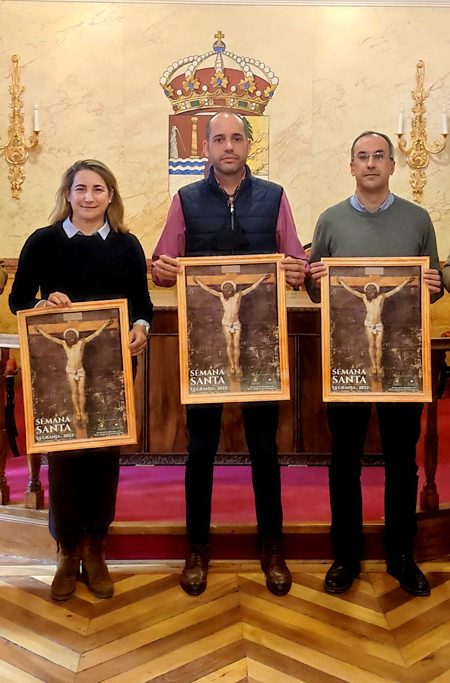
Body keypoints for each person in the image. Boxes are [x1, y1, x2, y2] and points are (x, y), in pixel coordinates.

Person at [153, 110, 308, 597]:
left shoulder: (274, 197)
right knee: (199, 449)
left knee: (265, 449)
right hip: (204, 345)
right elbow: (162, 266)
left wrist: (296, 272)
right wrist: (161, 270)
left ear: (247, 145)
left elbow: (298, 264)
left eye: (236, 138)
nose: (228, 146)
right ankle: (197, 548)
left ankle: (273, 547)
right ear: (206, 147)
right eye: (219, 139)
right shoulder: (185, 200)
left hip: (261, 343)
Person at [10, 159, 153, 601]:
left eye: (98, 189)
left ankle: (95, 547)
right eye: (80, 189)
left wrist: (141, 328)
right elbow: (18, 300)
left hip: (113, 369)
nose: (89, 197)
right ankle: (67, 551)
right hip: (57, 370)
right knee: (66, 458)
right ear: (67, 195)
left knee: (105, 455)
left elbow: (143, 304)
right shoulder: (43, 241)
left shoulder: (127, 245)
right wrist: (40, 304)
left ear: (111, 196)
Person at [307, 131, 442, 597]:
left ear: (391, 165)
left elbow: (431, 287)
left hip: (402, 360)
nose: (370, 163)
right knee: (344, 460)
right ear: (351, 166)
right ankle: (345, 555)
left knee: (401, 461)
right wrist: (314, 280)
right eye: (362, 156)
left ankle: (401, 555)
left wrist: (432, 286)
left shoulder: (417, 218)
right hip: (345, 360)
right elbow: (314, 289)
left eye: (378, 156)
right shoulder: (330, 220)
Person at [335, 275, 414, 382]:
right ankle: (373, 365)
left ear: (376, 290)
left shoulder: (381, 297)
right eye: (369, 289)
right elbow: (351, 291)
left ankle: (379, 365)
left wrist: (405, 281)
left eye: (373, 289)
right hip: (369, 324)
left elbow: (396, 290)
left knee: (378, 346)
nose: (371, 292)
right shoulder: (365, 298)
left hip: (378, 324)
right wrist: (342, 282)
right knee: (371, 345)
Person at [36, 320, 113, 425]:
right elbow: (51, 338)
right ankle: (77, 412)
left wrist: (104, 325)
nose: (71, 337)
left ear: (76, 336)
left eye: (72, 335)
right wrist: (40, 330)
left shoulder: (81, 343)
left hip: (80, 370)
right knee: (74, 392)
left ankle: (82, 411)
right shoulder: (65, 344)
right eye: (68, 335)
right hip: (71, 370)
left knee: (81, 391)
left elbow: (95, 334)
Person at [193, 273, 269, 376]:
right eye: (226, 287)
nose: (228, 289)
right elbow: (209, 290)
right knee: (229, 345)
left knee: (236, 345)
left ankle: (236, 365)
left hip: (236, 323)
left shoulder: (238, 295)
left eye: (230, 287)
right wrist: (198, 281)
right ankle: (232, 365)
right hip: (226, 323)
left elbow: (252, 288)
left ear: (233, 288)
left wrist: (261, 279)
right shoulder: (222, 296)